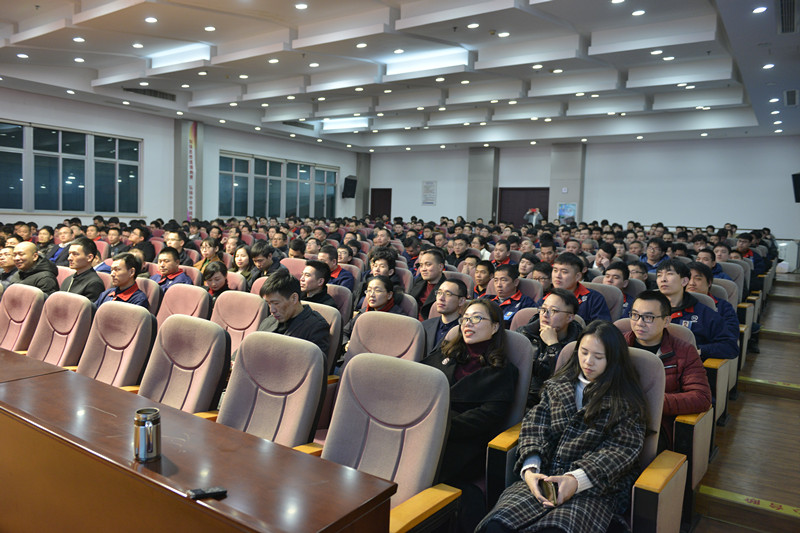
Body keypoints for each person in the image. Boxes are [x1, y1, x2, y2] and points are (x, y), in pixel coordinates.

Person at [478, 320, 648, 533]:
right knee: (496, 526)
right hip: (545, 478)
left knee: (554, 530)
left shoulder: (625, 401)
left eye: (598, 357)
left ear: (613, 360)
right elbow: (535, 425)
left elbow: (620, 451)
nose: (588, 362)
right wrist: (531, 469)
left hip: (594, 489)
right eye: (584, 352)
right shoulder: (558, 386)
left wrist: (576, 479)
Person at [422, 299, 518, 532]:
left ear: (494, 327)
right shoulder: (446, 353)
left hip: (462, 441)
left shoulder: (503, 371)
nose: (468, 323)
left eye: (477, 318)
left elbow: (487, 416)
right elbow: (418, 381)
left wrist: (440, 428)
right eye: (465, 318)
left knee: (421, 467)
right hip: (424, 427)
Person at [624, 291, 711, 448]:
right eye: (635, 315)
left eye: (648, 317)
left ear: (666, 321)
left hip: (655, 426)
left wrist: (649, 402)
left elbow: (701, 398)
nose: (639, 323)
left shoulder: (684, 352)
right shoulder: (618, 344)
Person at [656, 259, 738, 360]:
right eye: (659, 275)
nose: (663, 279)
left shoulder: (705, 313)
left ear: (684, 281)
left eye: (669, 274)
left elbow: (730, 347)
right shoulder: (646, 307)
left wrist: (698, 350)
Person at [517, 288, 583, 408]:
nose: (545, 315)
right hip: (521, 398)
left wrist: (553, 345)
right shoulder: (524, 334)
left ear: (569, 317)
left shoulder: (579, 345)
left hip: (553, 403)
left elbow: (563, 381)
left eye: (553, 311)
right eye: (543, 309)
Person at [256, 267, 331, 365]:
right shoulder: (269, 321)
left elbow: (315, 368)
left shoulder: (316, 327)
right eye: (269, 303)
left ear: (294, 298)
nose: (272, 310)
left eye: (276, 303)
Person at [546, 252, 611, 323]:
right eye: (555, 270)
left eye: (564, 272)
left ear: (577, 276)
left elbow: (601, 327)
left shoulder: (594, 299)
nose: (557, 276)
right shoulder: (546, 298)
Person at [342, 275, 404, 346]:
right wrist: (346, 344)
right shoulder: (364, 312)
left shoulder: (399, 318)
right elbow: (345, 332)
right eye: (369, 290)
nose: (371, 295)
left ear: (389, 295)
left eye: (377, 291)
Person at [422, 278, 467, 356]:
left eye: (448, 294)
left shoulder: (464, 331)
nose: (441, 298)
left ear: (461, 301)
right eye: (439, 293)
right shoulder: (424, 326)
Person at [489, 264, 536, 328]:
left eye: (503, 280)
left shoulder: (526, 303)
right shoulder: (487, 299)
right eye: (496, 280)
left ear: (516, 282)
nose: (498, 285)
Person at [61, 237, 105, 302]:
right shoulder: (68, 279)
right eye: (69, 254)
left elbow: (86, 308)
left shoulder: (94, 284)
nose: (69, 258)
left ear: (89, 257)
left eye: (75, 254)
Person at [409, 248, 447, 320]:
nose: (423, 269)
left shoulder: (447, 288)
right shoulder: (419, 281)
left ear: (440, 267)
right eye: (421, 265)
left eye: (428, 265)